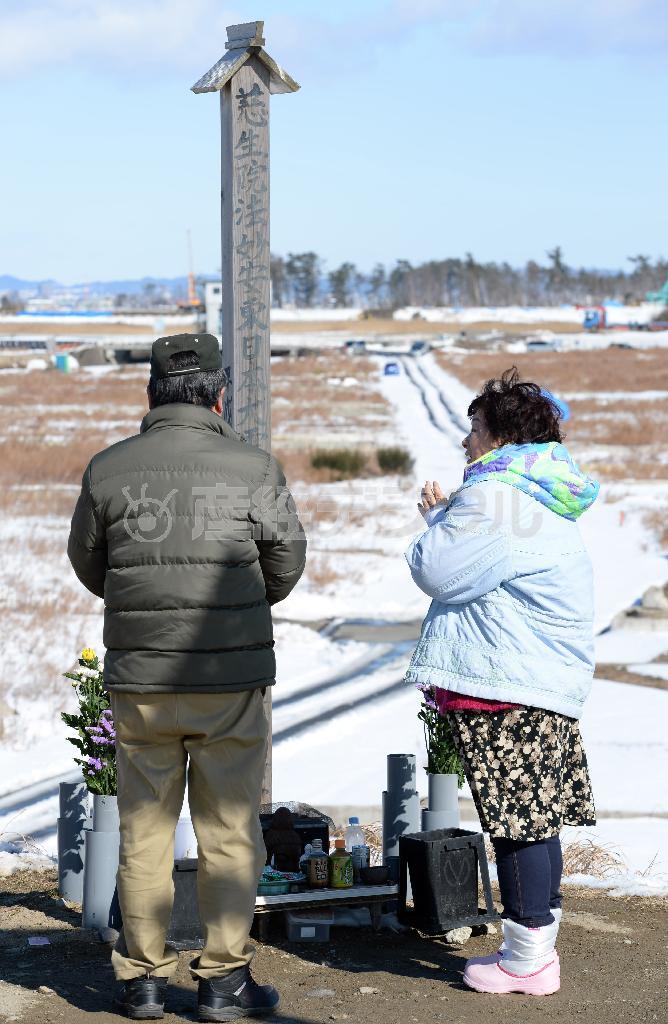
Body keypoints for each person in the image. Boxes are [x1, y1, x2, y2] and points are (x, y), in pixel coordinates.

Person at [68, 333, 307, 1021]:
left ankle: (142, 979)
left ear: (152, 390)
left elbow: (90, 564)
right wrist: (243, 601)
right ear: (218, 393)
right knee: (229, 830)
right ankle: (224, 983)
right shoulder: (253, 467)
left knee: (144, 828)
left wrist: (138, 604)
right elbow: (285, 560)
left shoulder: (108, 468)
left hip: (140, 680)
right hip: (230, 678)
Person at [405, 367, 598, 997]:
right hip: (542, 676)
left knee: (515, 824)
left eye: (475, 428)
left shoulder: (496, 497)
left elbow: (439, 572)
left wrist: (436, 524)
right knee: (538, 820)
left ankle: (526, 960)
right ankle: (538, 940)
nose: (466, 441)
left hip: (505, 681)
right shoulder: (540, 490)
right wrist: (451, 518)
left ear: (498, 436)